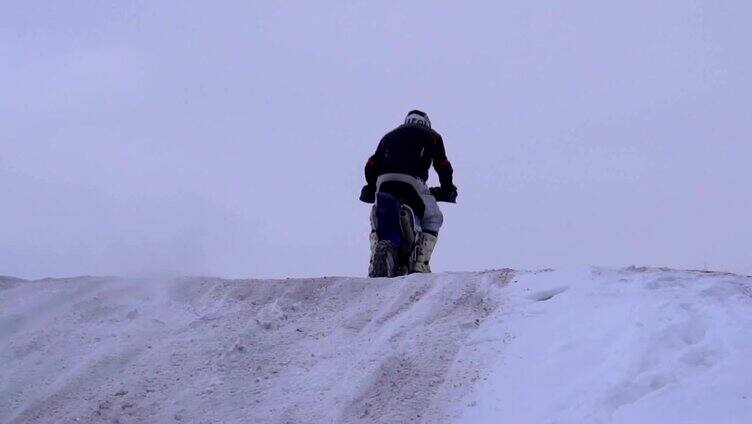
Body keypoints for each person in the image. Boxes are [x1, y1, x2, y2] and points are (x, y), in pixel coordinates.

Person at [359, 109, 457, 273]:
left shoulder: (389, 136)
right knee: (434, 217)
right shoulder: (432, 136)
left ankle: (374, 259)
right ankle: (420, 264)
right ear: (426, 123)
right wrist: (448, 190)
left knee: (375, 215)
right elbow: (443, 166)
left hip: (384, 181)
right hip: (413, 181)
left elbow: (371, 164)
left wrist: (370, 187)